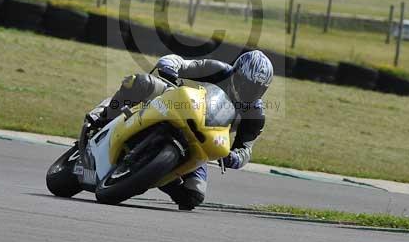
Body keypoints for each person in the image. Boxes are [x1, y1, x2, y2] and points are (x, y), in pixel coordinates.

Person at [86, 50, 274, 210]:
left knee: (193, 195)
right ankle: (102, 118)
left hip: (200, 141)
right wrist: (169, 68)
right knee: (140, 82)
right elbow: (180, 62)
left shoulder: (255, 115)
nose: (250, 91)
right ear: (236, 73)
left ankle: (158, 175)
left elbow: (246, 148)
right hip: (174, 103)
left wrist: (234, 157)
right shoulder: (218, 70)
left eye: (258, 89)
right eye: (247, 84)